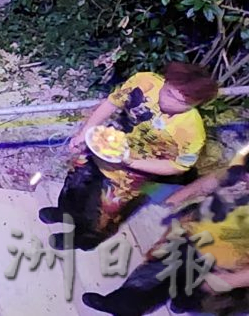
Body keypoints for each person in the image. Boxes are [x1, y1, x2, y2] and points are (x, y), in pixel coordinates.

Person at [39, 63, 217, 251]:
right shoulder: (144, 82)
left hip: (134, 171)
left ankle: (84, 239)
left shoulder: (192, 132)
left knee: (104, 212)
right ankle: (65, 211)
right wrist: (84, 132)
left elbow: (179, 166)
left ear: (197, 104)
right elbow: (112, 102)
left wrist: (131, 161)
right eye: (169, 93)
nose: (169, 102)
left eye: (182, 102)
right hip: (105, 145)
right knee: (75, 184)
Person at [81, 145, 249, 315]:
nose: (245, 177)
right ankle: (124, 303)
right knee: (153, 271)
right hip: (192, 233)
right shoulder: (240, 168)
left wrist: (232, 280)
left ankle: (185, 301)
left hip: (226, 264)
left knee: (201, 294)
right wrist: (181, 196)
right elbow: (213, 180)